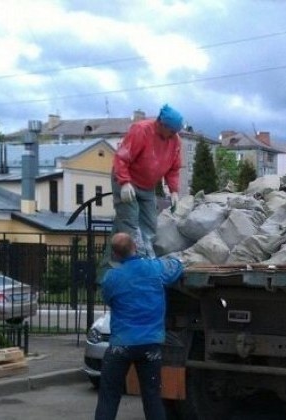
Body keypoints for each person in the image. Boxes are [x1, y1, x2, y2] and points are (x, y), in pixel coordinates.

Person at [95, 232, 184, 420]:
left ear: (115, 254)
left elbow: (108, 299)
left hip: (122, 345)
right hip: (150, 344)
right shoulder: (154, 269)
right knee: (152, 397)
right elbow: (176, 267)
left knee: (108, 397)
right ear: (135, 246)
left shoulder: (112, 277)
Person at [111, 104, 184, 258]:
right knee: (130, 224)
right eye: (171, 131)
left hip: (147, 186)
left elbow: (173, 168)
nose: (173, 135)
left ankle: (134, 259)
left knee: (150, 224)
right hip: (127, 181)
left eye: (175, 132)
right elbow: (122, 157)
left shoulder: (174, 140)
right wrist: (124, 182)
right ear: (161, 124)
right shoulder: (141, 130)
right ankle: (139, 261)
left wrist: (174, 191)